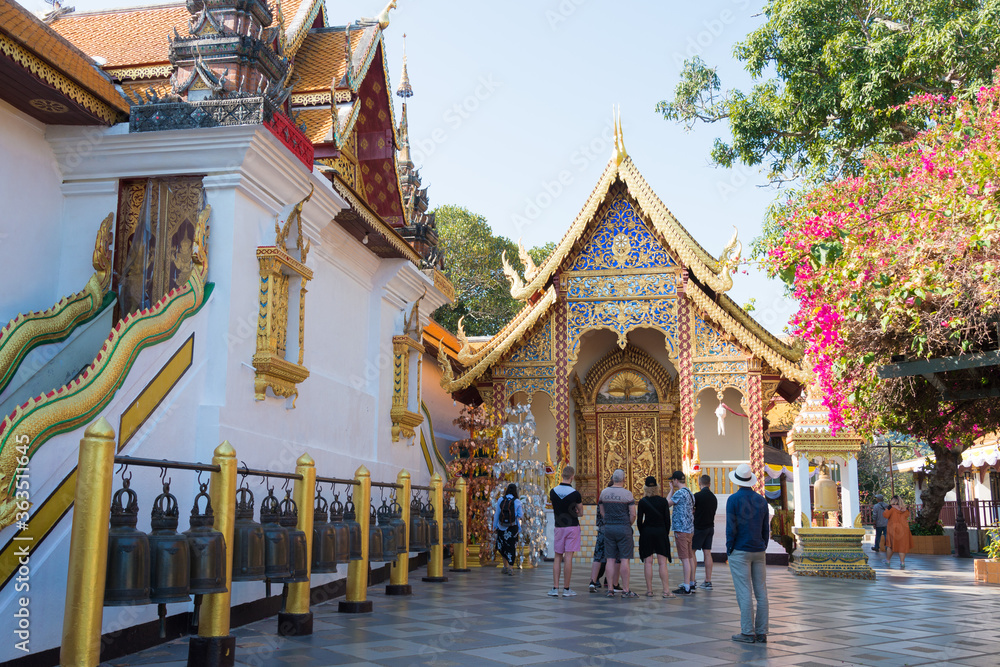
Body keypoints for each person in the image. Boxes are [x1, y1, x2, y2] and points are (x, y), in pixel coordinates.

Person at [726, 463, 770, 644]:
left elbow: (731, 528)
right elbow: (765, 528)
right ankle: (761, 632)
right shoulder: (761, 500)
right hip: (758, 549)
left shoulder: (733, 500)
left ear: (737, 481)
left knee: (744, 591)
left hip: (740, 549)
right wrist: (763, 545)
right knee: (761, 592)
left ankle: (747, 632)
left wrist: (729, 549)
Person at [598, 469, 638, 598]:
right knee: (624, 559)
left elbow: (602, 511)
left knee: (610, 559)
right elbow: (633, 514)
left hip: (609, 528)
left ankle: (610, 589)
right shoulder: (627, 494)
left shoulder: (604, 493)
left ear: (613, 479)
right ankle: (625, 590)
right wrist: (627, 524)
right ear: (624, 479)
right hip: (623, 528)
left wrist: (608, 521)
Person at [637, 476, 674, 598]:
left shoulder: (643, 502)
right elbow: (667, 520)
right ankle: (666, 591)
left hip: (647, 532)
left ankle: (649, 591)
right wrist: (665, 533)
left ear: (645, 488)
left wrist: (643, 532)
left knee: (648, 562)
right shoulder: (663, 501)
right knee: (662, 563)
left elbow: (639, 521)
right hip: (660, 532)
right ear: (657, 487)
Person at [549, 466, 583, 597]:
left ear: (562, 475)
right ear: (572, 477)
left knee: (558, 556)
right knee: (568, 556)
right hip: (572, 526)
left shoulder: (553, 492)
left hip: (559, 526)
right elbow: (581, 513)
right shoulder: (575, 494)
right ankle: (567, 589)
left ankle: (555, 588)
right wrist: (576, 511)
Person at [666, 470, 696, 595]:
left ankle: (686, 586)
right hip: (689, 529)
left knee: (684, 558)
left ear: (676, 480)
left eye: (673, 480)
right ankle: (691, 582)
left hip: (681, 529)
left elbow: (666, 504)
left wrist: (671, 490)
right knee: (689, 557)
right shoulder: (690, 493)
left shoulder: (679, 493)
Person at [693, 474, 718, 590]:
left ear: (699, 483)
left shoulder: (697, 496)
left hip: (699, 527)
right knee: (707, 553)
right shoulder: (713, 497)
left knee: (691, 552)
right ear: (709, 484)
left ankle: (692, 580)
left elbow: (691, 510)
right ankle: (708, 581)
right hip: (710, 527)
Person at [493, 483, 523, 576]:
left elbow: (497, 514)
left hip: (501, 527)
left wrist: (495, 526)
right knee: (511, 547)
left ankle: (505, 566)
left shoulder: (501, 500)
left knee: (503, 547)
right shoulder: (517, 501)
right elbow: (520, 515)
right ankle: (510, 568)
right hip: (512, 528)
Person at [883, 495, 914, 569]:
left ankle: (888, 560)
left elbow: (885, 515)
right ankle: (902, 562)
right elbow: (907, 515)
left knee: (890, 545)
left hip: (893, 528)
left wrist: (887, 509)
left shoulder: (891, 508)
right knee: (902, 546)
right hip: (904, 528)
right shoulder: (905, 509)